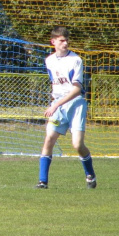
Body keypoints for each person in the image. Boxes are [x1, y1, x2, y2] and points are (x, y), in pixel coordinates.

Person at [35, 26, 96, 189]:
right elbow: (54, 84)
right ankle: (43, 181)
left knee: (77, 145)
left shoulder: (75, 60)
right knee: (49, 139)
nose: (65, 43)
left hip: (75, 105)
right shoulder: (49, 60)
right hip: (58, 106)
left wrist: (55, 104)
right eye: (62, 40)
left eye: (67, 40)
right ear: (53, 41)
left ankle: (90, 175)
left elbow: (77, 89)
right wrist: (55, 102)